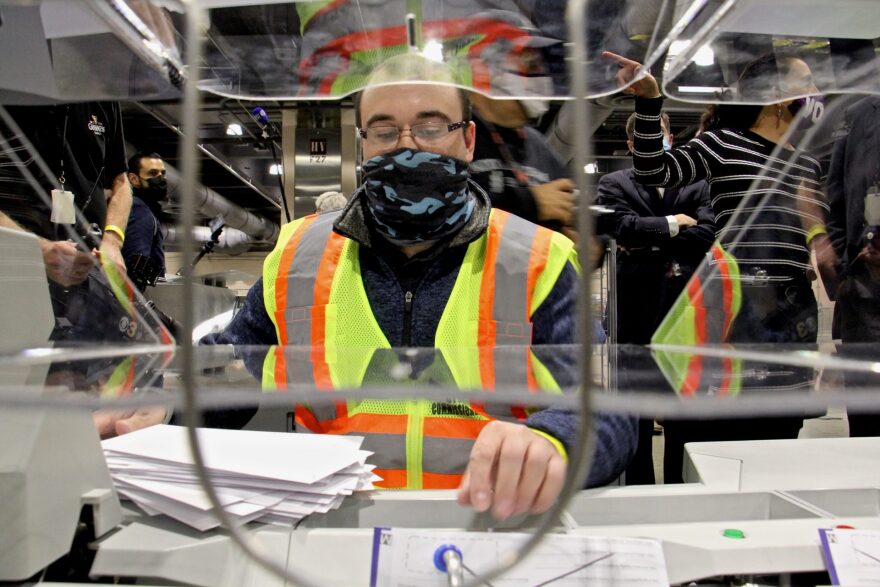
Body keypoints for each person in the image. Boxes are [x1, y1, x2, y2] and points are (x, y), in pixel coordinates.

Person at [205, 55, 637, 519]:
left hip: (485, 526)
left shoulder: (535, 258)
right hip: (333, 530)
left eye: (431, 127)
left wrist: (554, 440)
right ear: (363, 144)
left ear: (468, 140)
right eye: (385, 131)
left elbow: (611, 409)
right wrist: (153, 408)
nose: (407, 147)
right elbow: (226, 372)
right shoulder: (298, 257)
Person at [603, 50, 833, 481]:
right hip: (735, 319)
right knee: (716, 446)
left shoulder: (806, 162)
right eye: (808, 82)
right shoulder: (724, 142)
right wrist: (650, 100)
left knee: (779, 451)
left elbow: (817, 240)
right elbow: (655, 168)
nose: (816, 94)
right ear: (778, 95)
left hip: (791, 324)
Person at [597, 111, 715, 484]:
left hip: (687, 316)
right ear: (632, 145)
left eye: (661, 133)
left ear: (670, 138)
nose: (656, 141)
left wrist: (647, 238)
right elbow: (618, 226)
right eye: (645, 137)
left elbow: (711, 232)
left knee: (685, 415)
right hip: (635, 315)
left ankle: (685, 489)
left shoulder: (698, 181)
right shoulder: (614, 183)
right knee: (637, 419)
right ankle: (639, 493)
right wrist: (675, 223)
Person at [0, 102, 132, 342]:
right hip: (13, 274)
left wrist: (112, 241)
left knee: (73, 375)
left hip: (81, 280)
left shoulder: (102, 99)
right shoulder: (11, 84)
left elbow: (121, 182)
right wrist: (38, 250)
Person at [826, 95, 880, 436]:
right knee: (866, 415)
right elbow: (835, 193)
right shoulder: (858, 114)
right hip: (865, 293)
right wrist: (845, 261)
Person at [468, 93, 576, 235]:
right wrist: (528, 203)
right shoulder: (455, 134)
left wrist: (595, 244)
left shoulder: (537, 143)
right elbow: (442, 212)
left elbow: (567, 212)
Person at [123, 152, 167, 291]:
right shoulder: (138, 209)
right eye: (153, 173)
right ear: (133, 179)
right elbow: (136, 266)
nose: (160, 178)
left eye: (162, 173)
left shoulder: (146, 209)